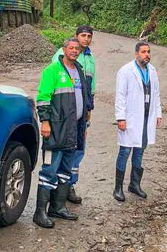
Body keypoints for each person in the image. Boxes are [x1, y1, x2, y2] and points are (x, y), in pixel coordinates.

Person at [33, 38, 89, 228]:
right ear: (64, 50)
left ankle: (57, 207)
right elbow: (42, 98)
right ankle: (39, 212)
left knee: (65, 171)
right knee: (49, 170)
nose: (74, 51)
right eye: (71, 48)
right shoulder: (52, 71)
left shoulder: (79, 70)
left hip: (74, 130)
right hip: (56, 129)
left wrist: (84, 125)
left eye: (76, 49)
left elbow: (85, 99)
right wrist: (45, 122)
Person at [51, 25, 96, 204]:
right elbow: (52, 84)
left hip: (81, 113)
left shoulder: (90, 58)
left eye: (89, 36)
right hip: (63, 114)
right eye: (83, 36)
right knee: (59, 151)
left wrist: (89, 110)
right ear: (76, 37)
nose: (86, 39)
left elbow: (90, 87)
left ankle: (69, 185)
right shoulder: (60, 56)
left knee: (78, 151)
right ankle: (54, 188)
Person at [113, 42, 162, 202]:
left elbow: (156, 93)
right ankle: (118, 188)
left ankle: (134, 184)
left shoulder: (152, 71)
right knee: (125, 151)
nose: (147, 54)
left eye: (148, 52)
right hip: (130, 118)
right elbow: (120, 96)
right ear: (136, 54)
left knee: (140, 151)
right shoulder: (126, 71)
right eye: (143, 52)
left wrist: (158, 113)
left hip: (146, 118)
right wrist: (121, 117)